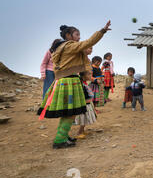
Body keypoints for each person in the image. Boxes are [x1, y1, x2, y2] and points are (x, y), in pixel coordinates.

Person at [37, 21, 111, 149]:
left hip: (66, 81)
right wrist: (102, 31)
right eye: (77, 34)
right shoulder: (69, 45)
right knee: (70, 113)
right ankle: (60, 140)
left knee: (68, 112)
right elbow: (88, 43)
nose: (79, 37)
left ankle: (63, 136)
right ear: (68, 35)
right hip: (69, 82)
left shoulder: (62, 47)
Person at [74, 70, 97, 139]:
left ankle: (82, 131)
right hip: (84, 103)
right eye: (89, 74)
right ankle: (79, 132)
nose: (91, 76)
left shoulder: (84, 83)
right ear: (83, 76)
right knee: (83, 118)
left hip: (87, 103)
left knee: (86, 117)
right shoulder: (81, 84)